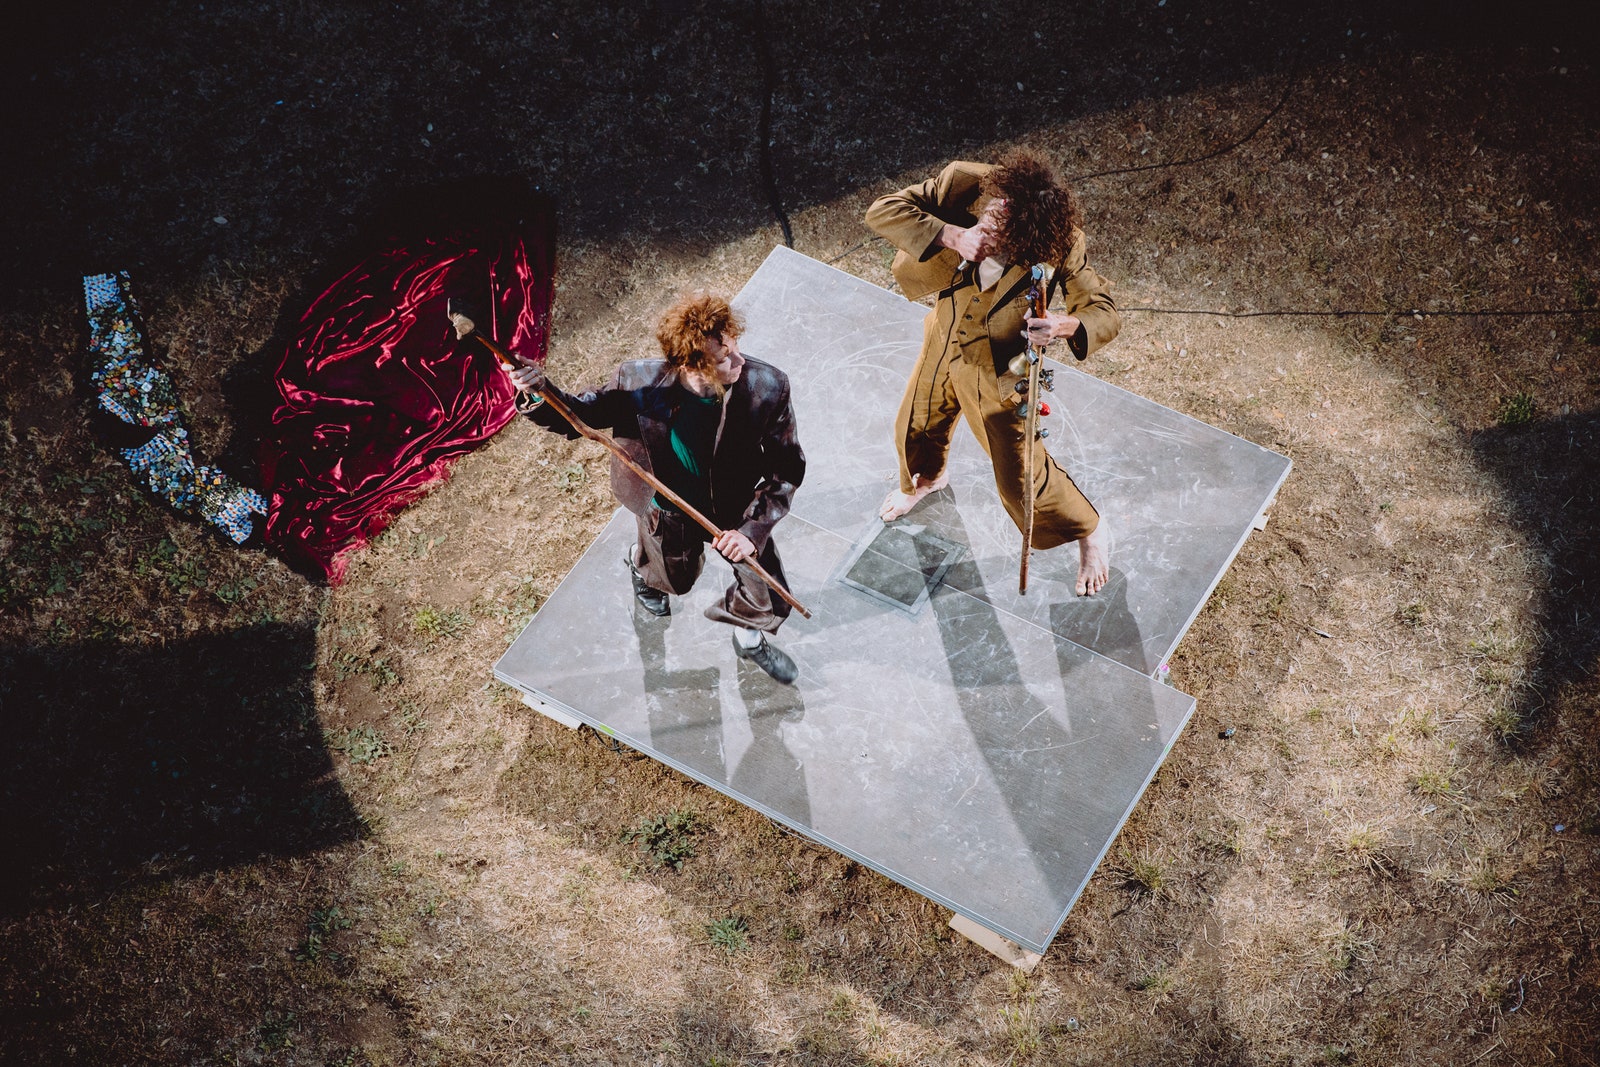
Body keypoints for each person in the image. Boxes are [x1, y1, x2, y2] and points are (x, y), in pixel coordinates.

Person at [500, 291, 806, 684]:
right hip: (669, 510)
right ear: (690, 365)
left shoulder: (768, 386)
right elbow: (579, 415)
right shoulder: (639, 383)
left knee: (767, 592)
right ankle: (640, 561)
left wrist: (751, 532)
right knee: (674, 581)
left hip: (737, 507)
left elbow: (787, 468)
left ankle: (747, 642)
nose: (740, 362)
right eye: (724, 359)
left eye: (736, 349)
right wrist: (536, 391)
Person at [864, 149, 1120, 595]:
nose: (993, 217)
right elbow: (882, 210)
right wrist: (950, 235)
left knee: (1019, 474)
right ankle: (927, 479)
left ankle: (1089, 530)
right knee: (917, 420)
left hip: (1000, 366)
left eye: (1004, 227)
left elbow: (1103, 311)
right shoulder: (966, 182)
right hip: (946, 331)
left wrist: (1066, 325)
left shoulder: (1061, 242)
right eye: (995, 209)